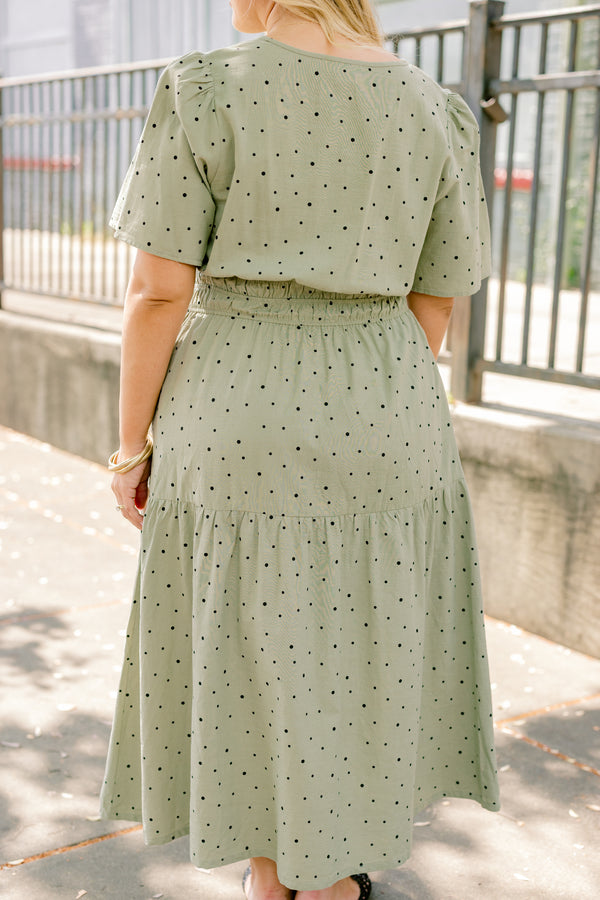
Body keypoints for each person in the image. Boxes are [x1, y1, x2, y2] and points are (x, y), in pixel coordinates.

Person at [99, 1, 501, 898]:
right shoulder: (434, 108)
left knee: (249, 646)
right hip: (387, 401)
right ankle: (327, 879)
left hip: (236, 403)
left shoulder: (207, 88)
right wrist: (368, 391)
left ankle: (274, 877)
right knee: (359, 645)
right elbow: (440, 294)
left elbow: (157, 291)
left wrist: (130, 448)